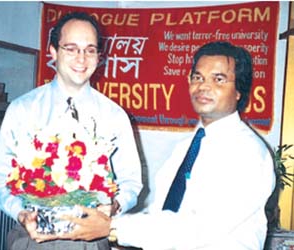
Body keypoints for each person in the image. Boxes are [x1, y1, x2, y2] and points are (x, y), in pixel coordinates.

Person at [59, 41, 276, 250]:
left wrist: (113, 228)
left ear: (239, 90)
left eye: (218, 79)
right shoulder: (185, 147)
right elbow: (162, 214)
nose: (203, 86)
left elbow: (198, 228)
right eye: (197, 77)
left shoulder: (249, 154)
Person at [0, 12, 142, 250]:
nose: (81, 58)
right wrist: (20, 213)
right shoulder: (22, 110)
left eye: (90, 50)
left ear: (99, 56)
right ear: (53, 51)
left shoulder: (115, 116)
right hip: (31, 239)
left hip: (90, 241)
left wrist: (115, 205)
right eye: (71, 48)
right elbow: (0, 178)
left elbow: (131, 181)